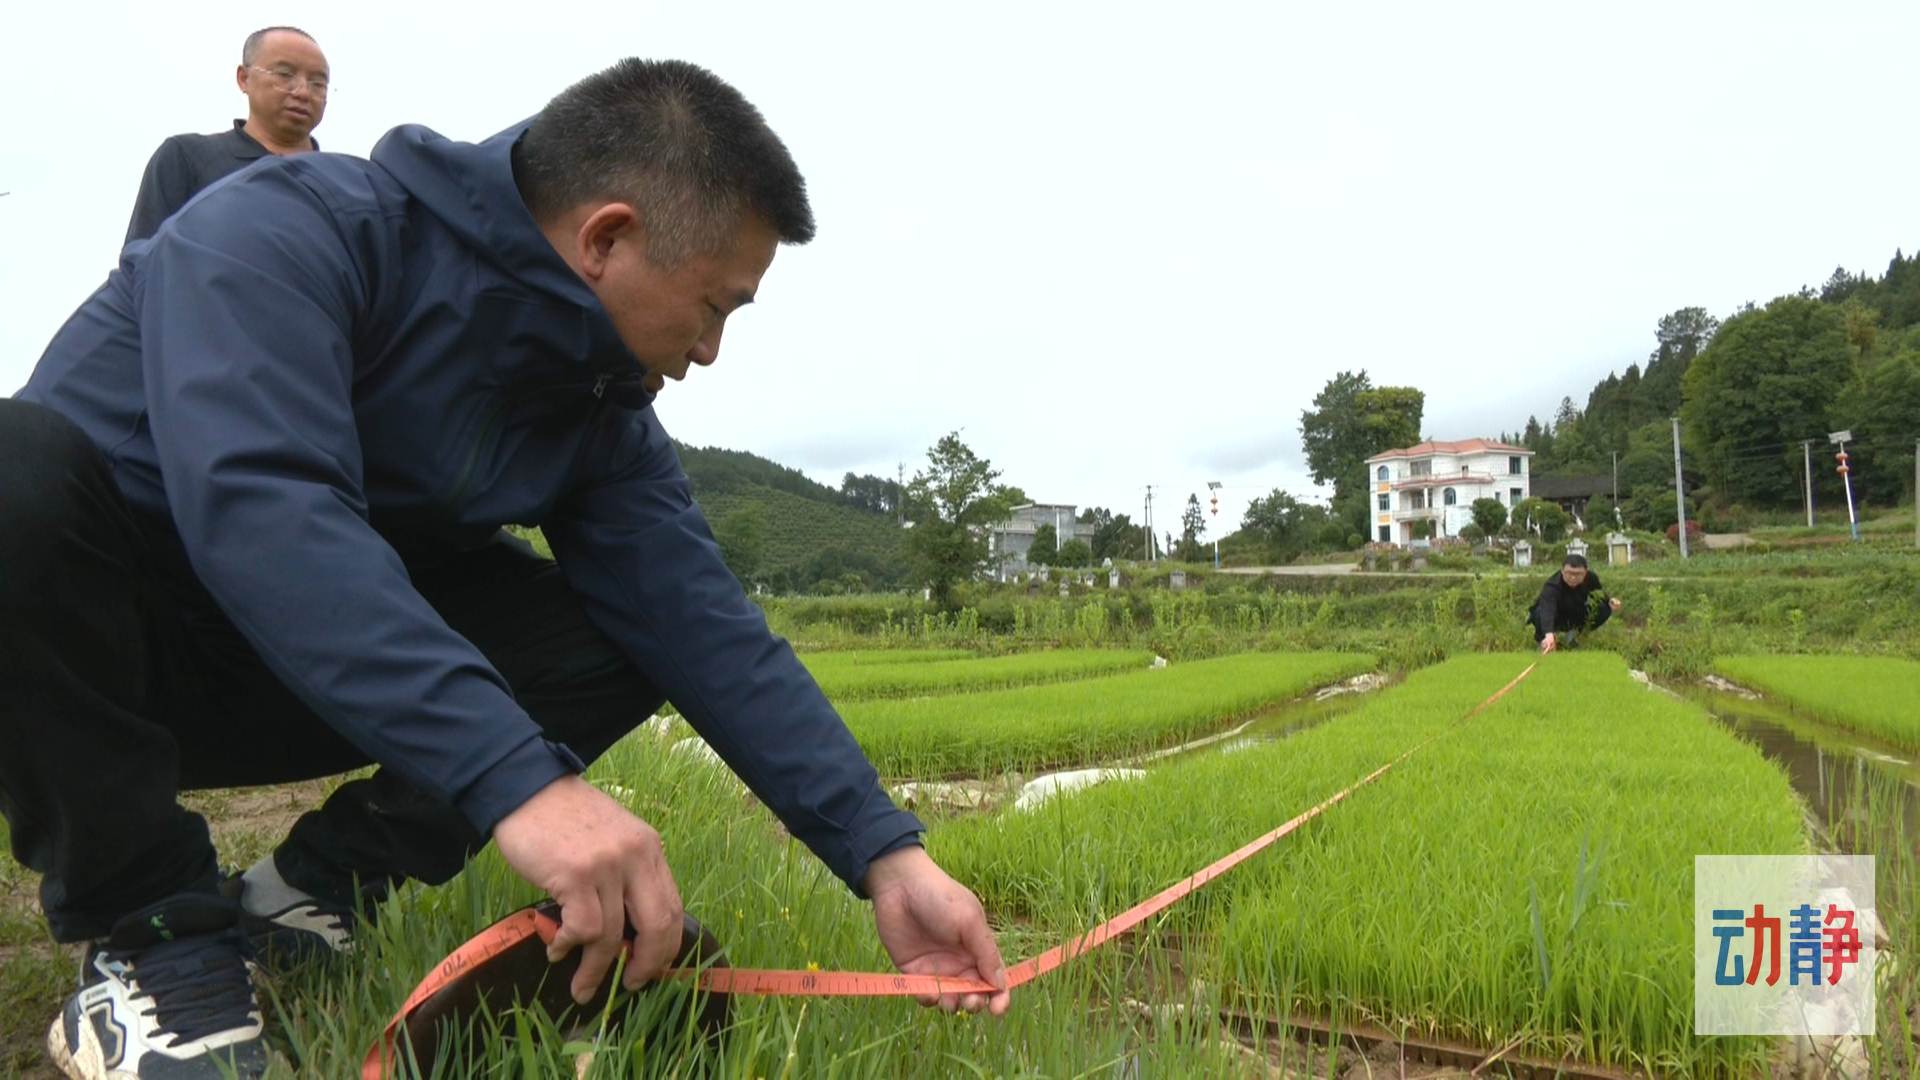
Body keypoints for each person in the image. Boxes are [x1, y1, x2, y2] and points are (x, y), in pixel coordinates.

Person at [4, 59, 1007, 1080]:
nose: (710, 349)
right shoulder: (287, 230)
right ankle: (150, 934)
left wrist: (885, 854)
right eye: (715, 307)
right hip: (83, 674)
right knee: (13, 467)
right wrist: (521, 782)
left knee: (625, 630)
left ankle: (305, 895)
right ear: (606, 238)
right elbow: (266, 508)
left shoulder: (598, 404)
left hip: (291, 677)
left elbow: (701, 622)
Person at [123, 27, 330, 244]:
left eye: (318, 83)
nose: (303, 92)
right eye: (285, 75)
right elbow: (144, 258)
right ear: (244, 78)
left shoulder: (337, 184)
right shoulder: (187, 158)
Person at [1527, 553, 1622, 653]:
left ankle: (1576, 636)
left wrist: (1609, 601)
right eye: (1569, 573)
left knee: (1604, 608)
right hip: (1556, 616)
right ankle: (1544, 642)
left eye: (1578, 574)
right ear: (1562, 571)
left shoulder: (1591, 578)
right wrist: (1548, 633)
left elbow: (1599, 593)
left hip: (1577, 612)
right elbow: (1548, 609)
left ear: (1585, 573)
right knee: (1539, 613)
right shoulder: (1552, 585)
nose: (1573, 578)